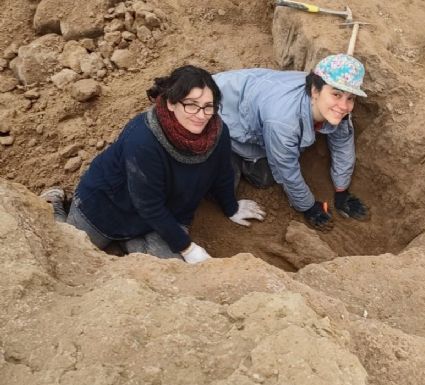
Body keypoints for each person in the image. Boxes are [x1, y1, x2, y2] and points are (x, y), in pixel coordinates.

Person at [40, 65, 265, 264]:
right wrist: (189, 248)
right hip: (107, 207)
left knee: (171, 273)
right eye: (192, 105)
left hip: (167, 212)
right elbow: (148, 204)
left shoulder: (218, 132)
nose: (201, 115)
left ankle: (130, 245)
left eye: (208, 106)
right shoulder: (143, 139)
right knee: (71, 252)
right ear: (171, 103)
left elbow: (222, 172)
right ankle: (54, 204)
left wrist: (231, 208)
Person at [212, 53, 369, 231]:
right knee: (223, 186)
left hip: (256, 113)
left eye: (350, 98)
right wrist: (308, 206)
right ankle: (230, 156)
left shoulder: (334, 107)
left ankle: (247, 156)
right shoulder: (284, 121)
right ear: (315, 91)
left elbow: (342, 143)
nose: (343, 106)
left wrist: (342, 190)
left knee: (264, 177)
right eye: (336, 94)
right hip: (219, 113)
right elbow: (285, 168)